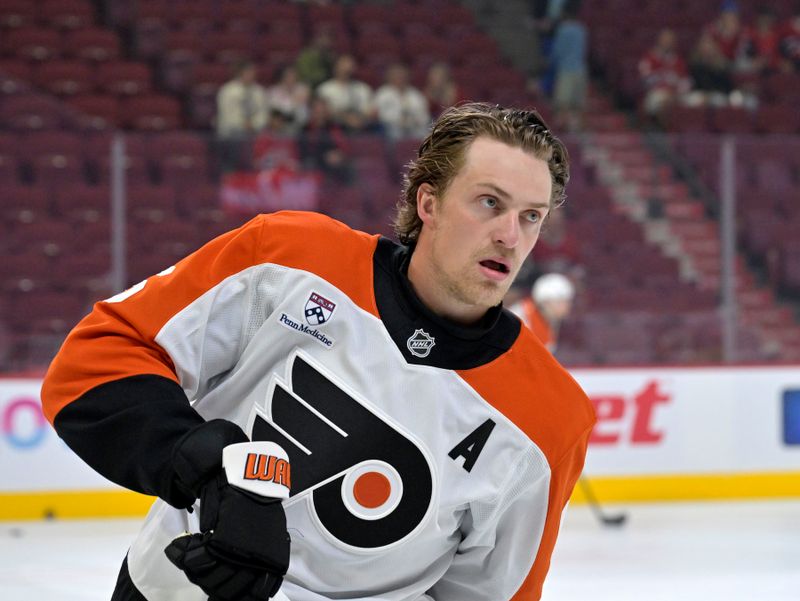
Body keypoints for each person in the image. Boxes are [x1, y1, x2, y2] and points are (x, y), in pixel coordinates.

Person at [41, 102, 595, 601]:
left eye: (531, 215)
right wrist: (206, 468)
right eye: (489, 203)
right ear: (429, 201)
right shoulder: (290, 258)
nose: (510, 235)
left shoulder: (550, 420)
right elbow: (97, 358)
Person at [216, 60, 271, 171]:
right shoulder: (227, 91)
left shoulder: (259, 91)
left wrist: (254, 125)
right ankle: (232, 173)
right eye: (248, 72)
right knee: (237, 141)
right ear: (239, 73)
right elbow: (228, 116)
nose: (251, 75)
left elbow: (263, 114)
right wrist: (243, 124)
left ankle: (256, 175)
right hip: (231, 135)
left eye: (252, 72)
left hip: (254, 134)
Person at [508, 273, 575, 353]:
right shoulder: (521, 316)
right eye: (561, 302)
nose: (567, 306)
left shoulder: (550, 319)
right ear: (545, 302)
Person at [548, 2, 588, 131]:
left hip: (566, 70)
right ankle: (580, 130)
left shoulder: (563, 29)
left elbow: (557, 52)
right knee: (578, 104)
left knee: (563, 103)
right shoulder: (581, 29)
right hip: (581, 70)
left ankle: (564, 131)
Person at [638, 29, 691, 122]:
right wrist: (663, 84)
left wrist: (677, 92)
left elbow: (686, 81)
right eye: (665, 40)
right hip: (655, 93)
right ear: (659, 41)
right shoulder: (649, 58)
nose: (668, 43)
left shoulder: (678, 60)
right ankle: (660, 128)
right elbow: (645, 80)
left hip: (677, 94)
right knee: (658, 101)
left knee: (695, 101)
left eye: (670, 40)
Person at [316, 54, 376, 132]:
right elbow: (322, 113)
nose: (347, 67)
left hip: (361, 127)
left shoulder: (362, 88)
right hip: (334, 129)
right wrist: (346, 118)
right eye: (344, 64)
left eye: (350, 64)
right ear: (336, 67)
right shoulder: (325, 89)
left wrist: (359, 119)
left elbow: (370, 111)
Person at [374, 63, 431, 141]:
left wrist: (415, 120)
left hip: (414, 129)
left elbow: (424, 116)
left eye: (402, 75)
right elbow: (378, 115)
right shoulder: (383, 93)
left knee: (426, 134)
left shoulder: (416, 95)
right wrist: (397, 120)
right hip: (390, 129)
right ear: (390, 77)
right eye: (396, 75)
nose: (400, 78)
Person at [266, 64, 311, 135]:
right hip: (280, 124)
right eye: (288, 76)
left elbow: (302, 108)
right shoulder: (274, 91)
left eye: (293, 76)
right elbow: (275, 110)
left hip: (298, 125)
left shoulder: (303, 89)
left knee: (302, 109)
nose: (291, 78)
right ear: (283, 77)